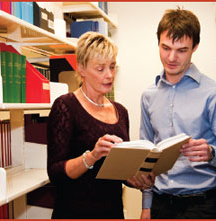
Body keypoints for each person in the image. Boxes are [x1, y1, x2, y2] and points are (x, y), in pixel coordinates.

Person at [139, 8, 216, 219]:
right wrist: (146, 205)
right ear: (158, 42)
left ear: (195, 47)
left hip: (204, 206)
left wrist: (211, 153)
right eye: (165, 47)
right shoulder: (148, 96)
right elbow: (147, 158)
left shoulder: (214, 94)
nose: (171, 57)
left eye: (181, 50)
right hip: (161, 205)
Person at [47, 32, 151, 219]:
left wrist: (138, 180)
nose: (109, 75)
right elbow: (55, 173)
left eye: (112, 67)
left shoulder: (121, 112)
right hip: (74, 212)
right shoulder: (65, 106)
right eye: (100, 69)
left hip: (112, 212)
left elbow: (119, 173)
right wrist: (93, 156)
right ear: (81, 69)